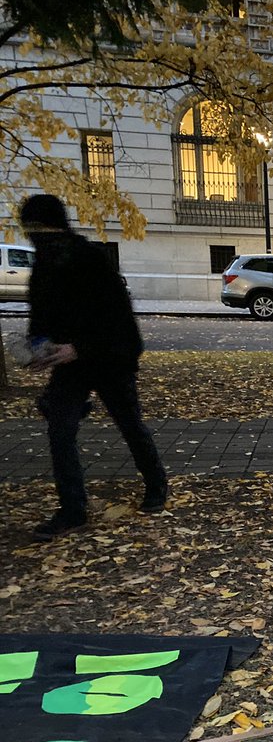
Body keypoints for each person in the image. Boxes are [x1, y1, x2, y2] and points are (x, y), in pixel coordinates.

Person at [19, 194, 168, 540]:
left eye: (41, 230)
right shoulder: (44, 265)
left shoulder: (89, 259)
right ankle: (72, 509)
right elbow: (40, 316)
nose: (37, 238)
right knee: (60, 431)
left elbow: (118, 322)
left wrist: (79, 348)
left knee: (129, 423)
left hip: (108, 360)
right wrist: (39, 348)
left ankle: (156, 485)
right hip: (69, 364)